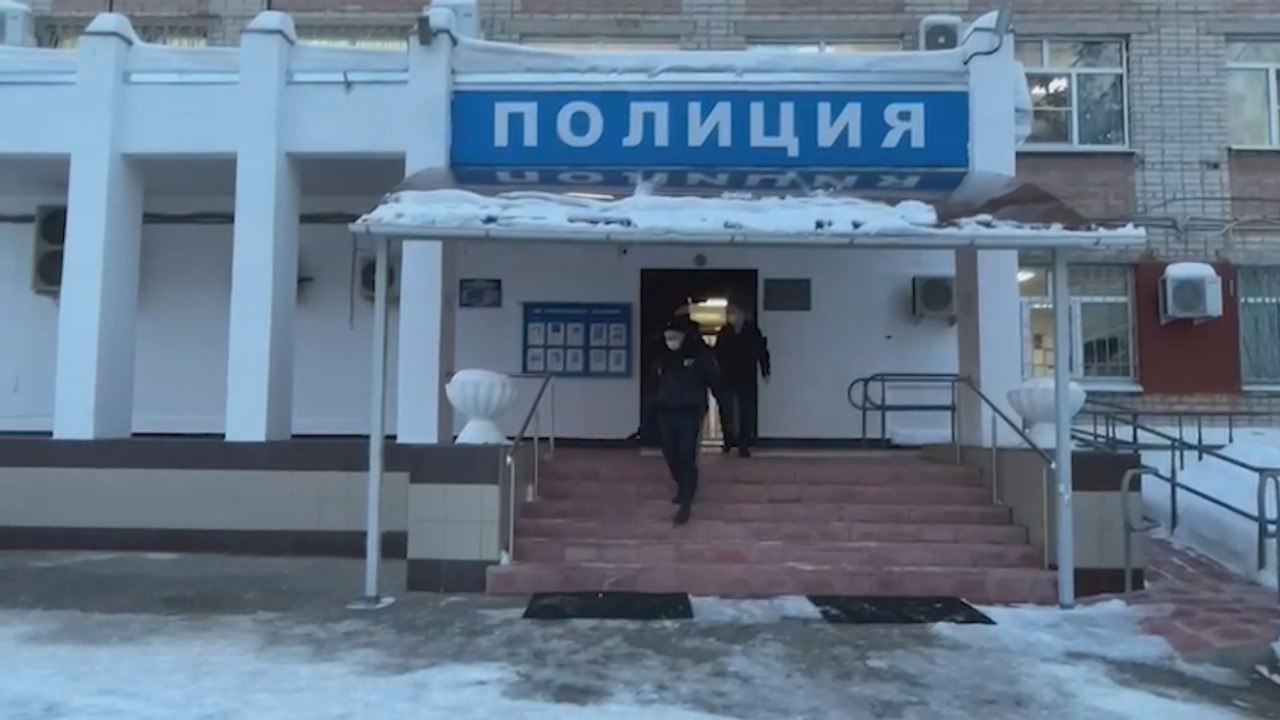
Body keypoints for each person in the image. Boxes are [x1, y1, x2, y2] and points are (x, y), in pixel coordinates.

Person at [650, 318, 721, 525]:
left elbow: (714, 377)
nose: (670, 341)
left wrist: (720, 399)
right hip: (666, 410)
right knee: (670, 451)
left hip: (690, 411)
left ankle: (687, 497)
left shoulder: (699, 354)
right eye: (667, 337)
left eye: (674, 337)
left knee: (686, 452)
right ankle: (682, 483)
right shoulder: (662, 356)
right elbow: (654, 381)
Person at [713, 303, 771, 457]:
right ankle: (728, 440)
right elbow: (717, 354)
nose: (730, 316)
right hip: (727, 375)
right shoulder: (724, 332)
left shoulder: (752, 331)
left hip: (746, 375)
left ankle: (743, 444)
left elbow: (761, 351)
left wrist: (765, 370)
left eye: (732, 312)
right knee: (726, 408)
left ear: (741, 313)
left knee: (746, 410)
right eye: (727, 313)